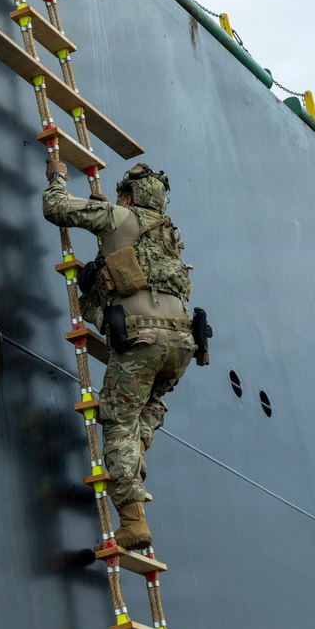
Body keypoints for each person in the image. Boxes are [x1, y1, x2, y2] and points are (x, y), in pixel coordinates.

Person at [42, 160, 196, 550]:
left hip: (141, 341)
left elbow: (55, 207)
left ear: (128, 196)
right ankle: (135, 466)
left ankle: (131, 519)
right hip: (181, 344)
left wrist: (57, 175)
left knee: (117, 422)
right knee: (146, 410)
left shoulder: (116, 216)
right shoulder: (168, 239)